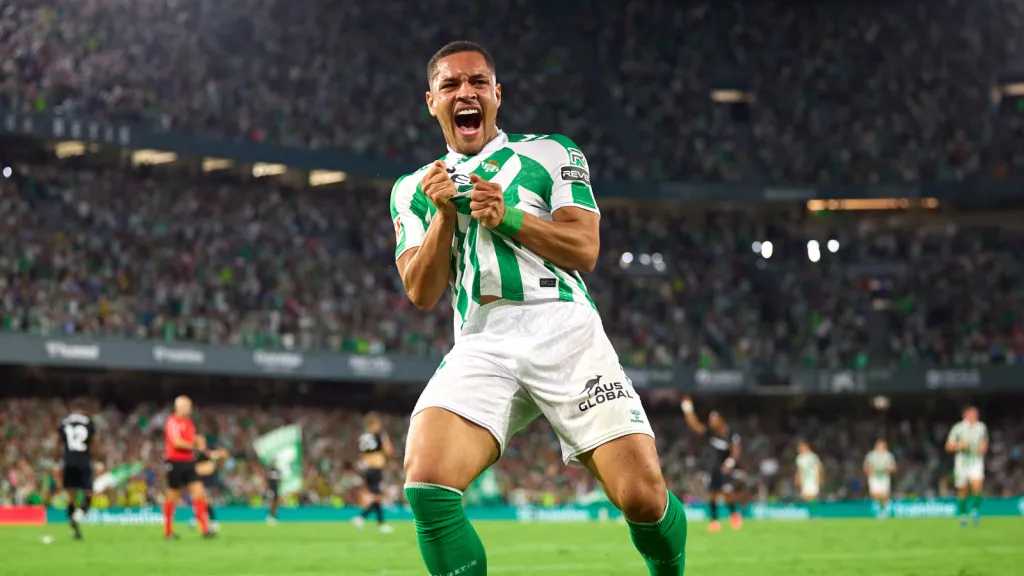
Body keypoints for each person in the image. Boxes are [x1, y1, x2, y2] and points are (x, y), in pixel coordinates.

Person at [391, 41, 685, 575]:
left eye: (478, 82)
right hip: (482, 339)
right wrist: (440, 215)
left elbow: (585, 248)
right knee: (427, 479)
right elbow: (420, 291)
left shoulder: (550, 152)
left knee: (642, 496)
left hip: (563, 327)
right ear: (431, 101)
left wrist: (509, 219)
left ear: (497, 94)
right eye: (451, 85)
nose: (466, 93)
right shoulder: (414, 188)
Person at [681, 396, 743, 532]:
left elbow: (736, 449)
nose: (711, 422)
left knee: (727, 492)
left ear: (721, 419)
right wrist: (687, 410)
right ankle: (714, 521)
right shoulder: (712, 433)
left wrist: (730, 462)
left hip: (726, 469)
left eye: (713, 419)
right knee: (712, 494)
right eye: (710, 419)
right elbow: (695, 426)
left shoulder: (731, 433)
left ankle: (734, 515)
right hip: (713, 468)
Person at [163, 396, 214, 539]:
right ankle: (168, 531)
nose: (189, 409)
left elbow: (193, 442)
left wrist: (200, 444)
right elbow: (176, 442)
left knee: (199, 493)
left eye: (189, 406)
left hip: (188, 462)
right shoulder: (172, 421)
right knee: (172, 496)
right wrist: (195, 444)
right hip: (175, 462)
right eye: (187, 406)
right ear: (178, 407)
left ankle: (205, 529)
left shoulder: (189, 423)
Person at [58, 399, 100, 540]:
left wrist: (56, 460)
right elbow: (94, 443)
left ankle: (74, 528)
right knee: (88, 494)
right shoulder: (89, 422)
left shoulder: (65, 422)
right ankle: (78, 516)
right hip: (83, 462)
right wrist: (98, 459)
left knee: (71, 497)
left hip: (68, 461)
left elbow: (59, 443)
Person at [351, 412, 394, 534]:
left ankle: (380, 525)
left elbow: (361, 454)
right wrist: (385, 441)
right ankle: (361, 517)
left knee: (377, 496)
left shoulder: (364, 437)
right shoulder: (379, 435)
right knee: (378, 497)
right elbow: (389, 450)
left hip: (367, 469)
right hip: (375, 469)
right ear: (374, 424)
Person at [945, 405, 988, 527]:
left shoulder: (981, 427)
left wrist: (983, 448)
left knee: (977, 486)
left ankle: (974, 510)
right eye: (972, 413)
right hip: (962, 461)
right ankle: (963, 515)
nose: (975, 415)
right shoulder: (958, 428)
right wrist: (960, 445)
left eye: (976, 413)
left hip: (976, 460)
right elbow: (948, 446)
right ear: (965, 415)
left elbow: (984, 440)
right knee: (962, 489)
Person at [190, 435, 228, 533]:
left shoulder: (210, 449)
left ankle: (210, 521)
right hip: (197, 478)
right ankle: (201, 519)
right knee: (201, 499)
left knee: (205, 499)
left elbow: (223, 454)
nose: (201, 441)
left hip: (208, 479)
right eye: (199, 440)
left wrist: (215, 455)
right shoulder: (193, 452)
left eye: (202, 440)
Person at [863, 439, 896, 518]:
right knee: (874, 494)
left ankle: (884, 510)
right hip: (874, 477)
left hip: (884, 477)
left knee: (884, 495)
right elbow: (866, 467)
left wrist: (888, 469)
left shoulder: (888, 455)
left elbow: (893, 467)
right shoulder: (871, 455)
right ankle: (884, 504)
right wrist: (869, 471)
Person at [795, 440, 824, 518]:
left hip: (813, 479)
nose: (799, 449)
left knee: (811, 496)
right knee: (806, 497)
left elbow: (819, 467)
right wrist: (798, 479)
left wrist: (820, 478)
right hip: (805, 480)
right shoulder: (799, 458)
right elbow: (799, 470)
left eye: (801, 447)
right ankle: (812, 513)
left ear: (806, 446)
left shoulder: (813, 457)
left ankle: (814, 514)